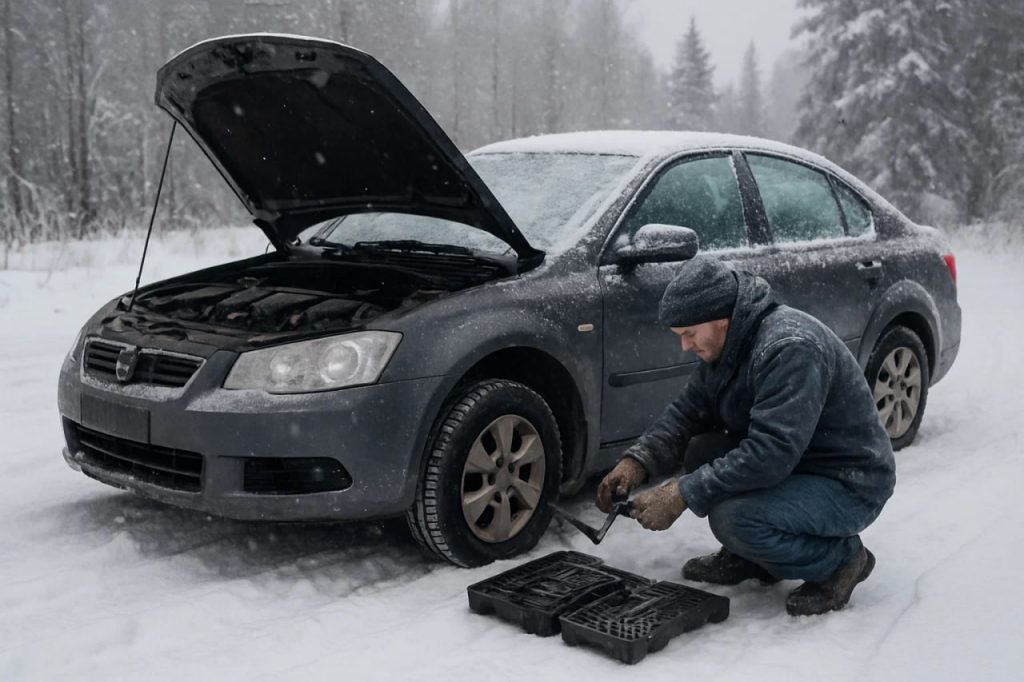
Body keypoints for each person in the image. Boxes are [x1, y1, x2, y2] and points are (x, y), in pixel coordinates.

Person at [596, 256, 896, 616]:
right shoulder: (729, 344)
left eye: (690, 334)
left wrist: (682, 492)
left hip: (849, 481)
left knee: (734, 519)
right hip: (801, 462)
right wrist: (636, 463)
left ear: (721, 320)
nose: (685, 346)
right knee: (701, 450)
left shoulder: (788, 349)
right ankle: (752, 559)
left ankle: (841, 561)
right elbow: (686, 413)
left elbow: (770, 455)